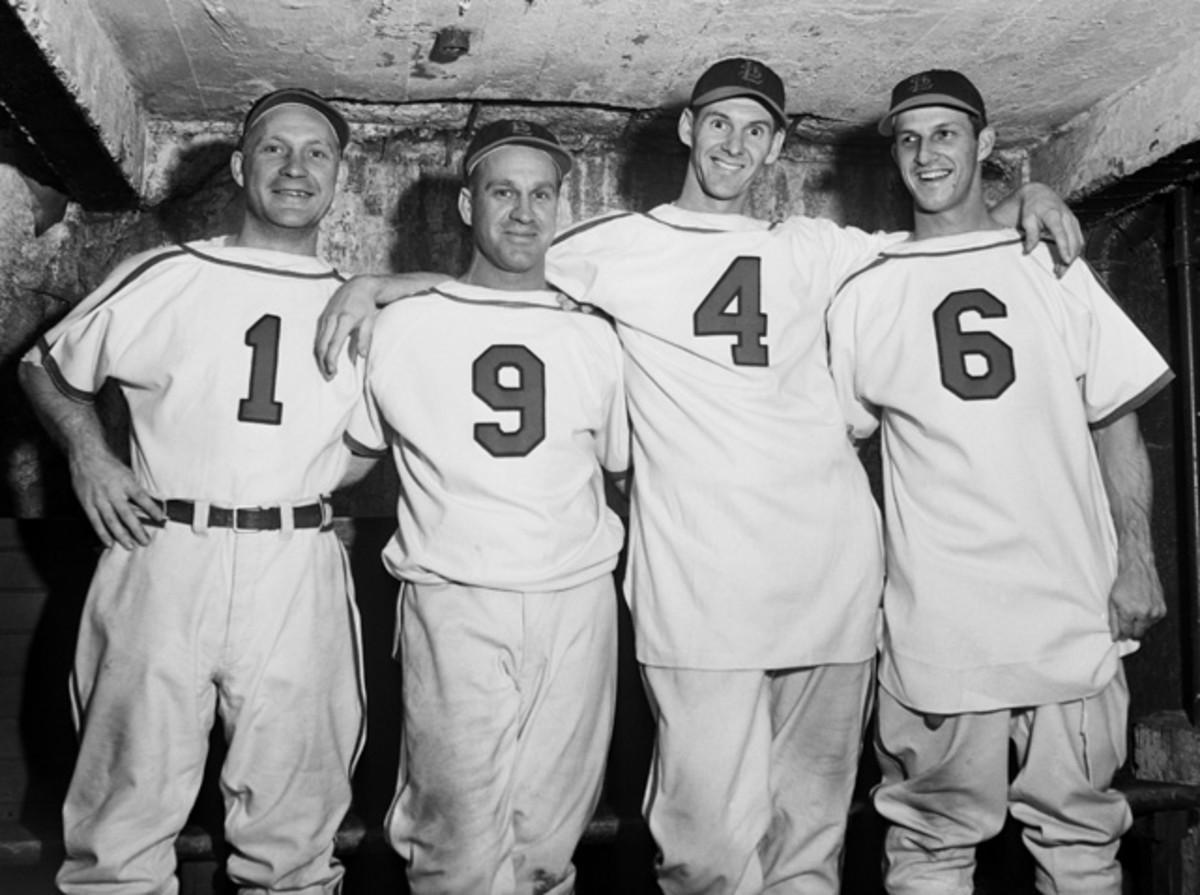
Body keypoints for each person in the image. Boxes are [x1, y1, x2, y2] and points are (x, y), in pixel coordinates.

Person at [313, 59, 1085, 894]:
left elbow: (942, 242)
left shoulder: (815, 247)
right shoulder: (614, 244)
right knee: (707, 856)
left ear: (779, 145)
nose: (735, 145)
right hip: (700, 591)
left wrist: (1024, 203)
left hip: (830, 581)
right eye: (719, 123)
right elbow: (501, 280)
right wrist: (384, 283)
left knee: (809, 848)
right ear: (687, 128)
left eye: (757, 130)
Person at [826, 69, 1170, 895]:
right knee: (931, 845)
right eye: (908, 139)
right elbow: (835, 455)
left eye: (946, 133)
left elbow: (1114, 418)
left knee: (1083, 840)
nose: (925, 154)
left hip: (1069, 601)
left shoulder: (1052, 263)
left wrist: (1137, 555)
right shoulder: (866, 290)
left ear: (986, 147)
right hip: (940, 623)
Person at [19, 88, 369, 895]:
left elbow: (365, 445)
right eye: (275, 148)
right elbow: (44, 366)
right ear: (242, 167)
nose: (296, 167)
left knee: (294, 833)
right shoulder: (168, 273)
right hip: (163, 551)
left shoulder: (359, 302)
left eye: (317, 152)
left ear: (338, 177)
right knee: (121, 824)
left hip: (296, 562)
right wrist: (90, 456)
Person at [342, 119, 628, 894]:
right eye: (504, 191)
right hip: (456, 599)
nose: (524, 212)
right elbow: (342, 459)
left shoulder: (600, 334)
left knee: (548, 845)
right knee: (455, 845)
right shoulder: (402, 325)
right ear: (468, 204)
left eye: (542, 194)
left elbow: (626, 463)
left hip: (575, 600)